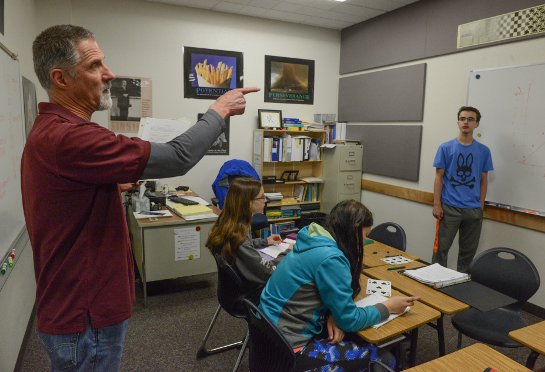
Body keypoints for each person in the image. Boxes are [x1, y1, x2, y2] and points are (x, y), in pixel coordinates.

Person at [21, 24, 259, 372]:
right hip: (84, 315)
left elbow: (60, 196)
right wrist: (218, 111)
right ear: (60, 78)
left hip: (72, 307)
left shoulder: (49, 130)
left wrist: (104, 186)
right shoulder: (70, 137)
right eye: (94, 66)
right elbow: (179, 156)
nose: (109, 74)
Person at [259, 199, 418, 371]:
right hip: (289, 350)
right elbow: (350, 320)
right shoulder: (332, 259)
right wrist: (387, 307)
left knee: (352, 336)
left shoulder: (312, 238)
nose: (364, 243)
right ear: (354, 230)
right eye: (365, 236)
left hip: (268, 338)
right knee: (384, 359)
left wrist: (333, 313)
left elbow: (326, 295)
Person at [432, 106, 493, 273]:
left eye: (470, 119)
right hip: (449, 208)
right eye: (463, 119)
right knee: (441, 251)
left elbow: (483, 180)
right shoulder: (445, 148)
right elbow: (439, 177)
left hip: (473, 211)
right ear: (458, 122)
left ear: (477, 124)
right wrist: (437, 204)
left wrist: (480, 206)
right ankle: (435, 283)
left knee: (468, 254)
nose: (466, 122)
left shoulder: (484, 151)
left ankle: (461, 288)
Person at [206, 177, 290, 291]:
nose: (265, 200)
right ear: (248, 202)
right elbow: (270, 271)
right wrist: (288, 252)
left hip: (231, 290)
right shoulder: (239, 234)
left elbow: (242, 245)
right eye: (262, 197)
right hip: (249, 296)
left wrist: (264, 241)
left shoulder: (230, 223)